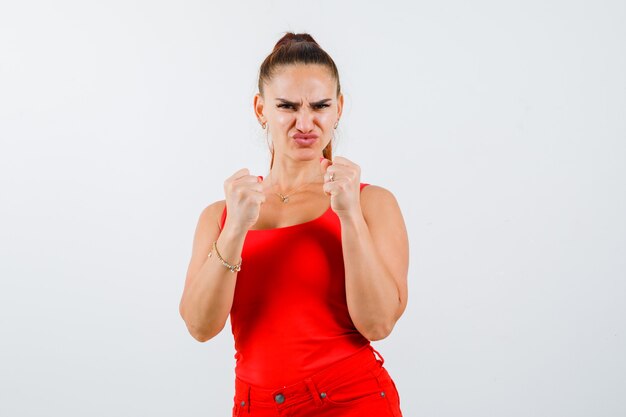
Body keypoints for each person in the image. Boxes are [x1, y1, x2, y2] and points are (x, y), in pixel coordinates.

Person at [179, 32, 409, 417]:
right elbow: (200, 327)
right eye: (287, 106)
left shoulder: (371, 203)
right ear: (260, 109)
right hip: (256, 406)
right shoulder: (221, 214)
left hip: (351, 402)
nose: (305, 122)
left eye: (320, 106)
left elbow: (379, 323)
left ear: (338, 108)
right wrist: (235, 228)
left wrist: (349, 216)